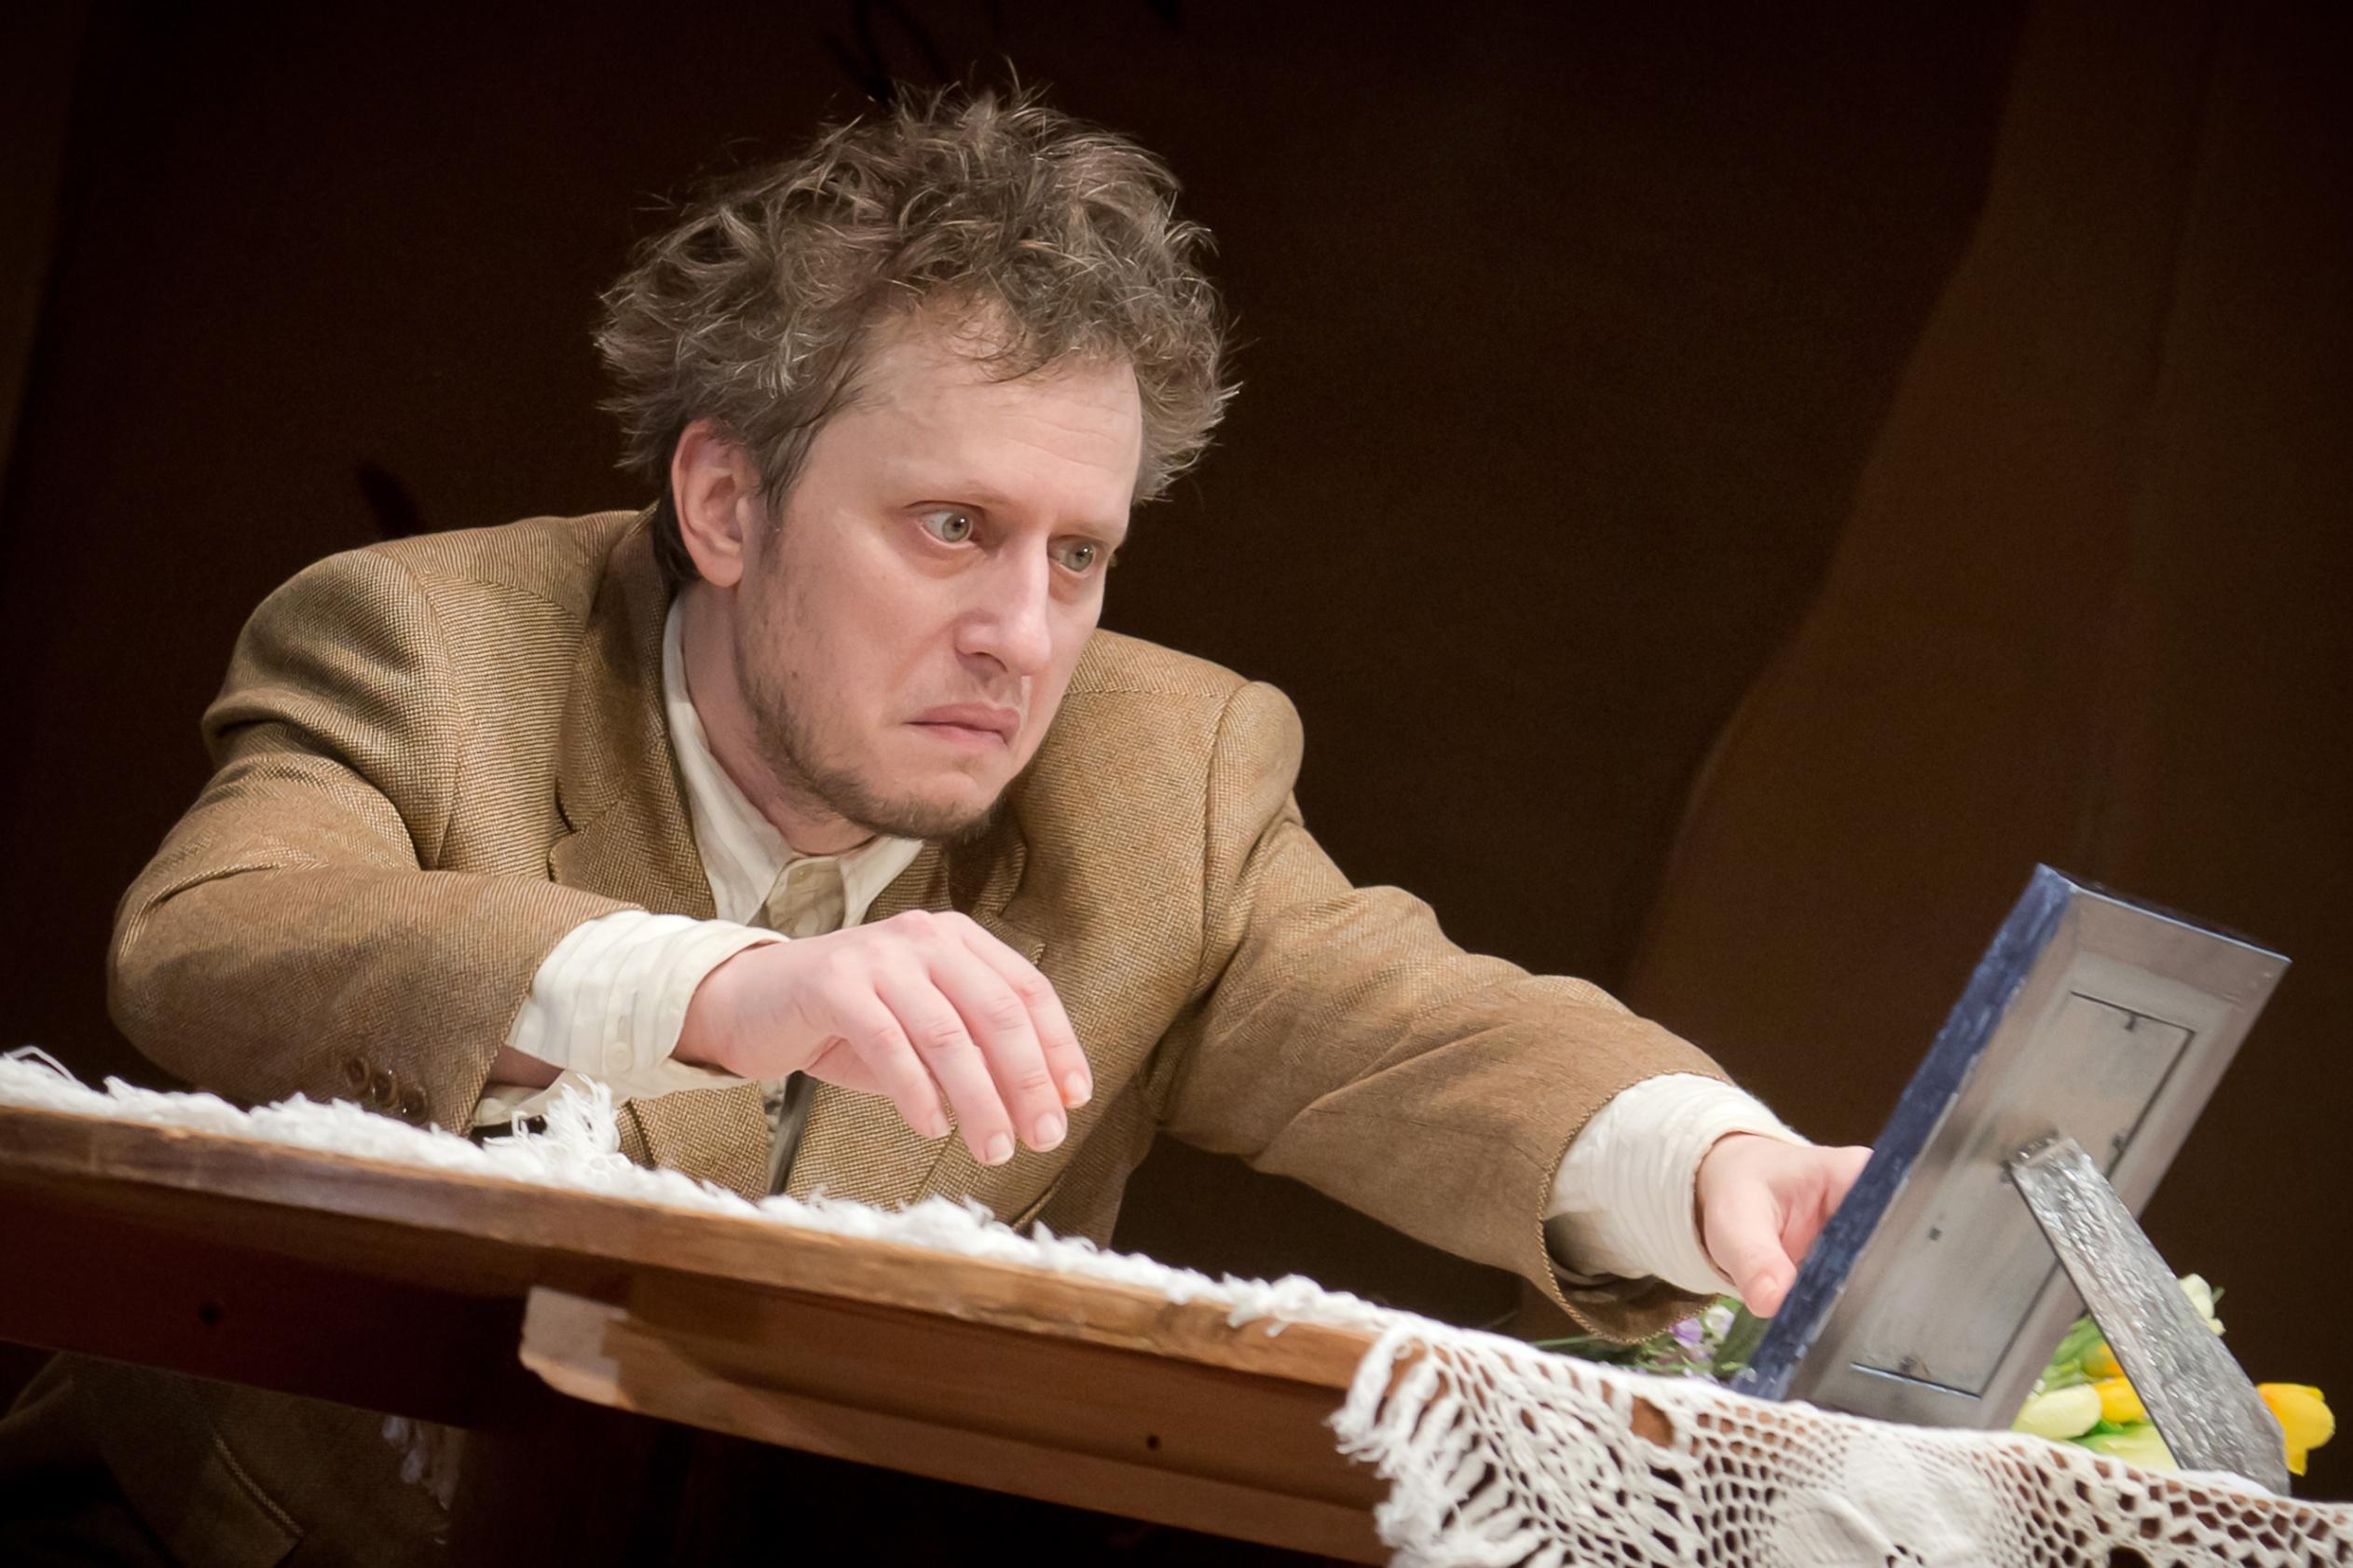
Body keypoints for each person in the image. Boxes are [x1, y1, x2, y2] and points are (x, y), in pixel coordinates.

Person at [4, 88, 1867, 1565]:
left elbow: (1415, 1027)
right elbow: (216, 933)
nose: (1023, 635)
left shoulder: (1173, 768)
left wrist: (1719, 1165)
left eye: (1079, 554)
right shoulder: (424, 638)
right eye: (952, 527)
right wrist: (714, 987)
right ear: (725, 503)